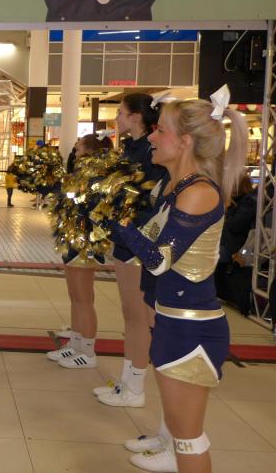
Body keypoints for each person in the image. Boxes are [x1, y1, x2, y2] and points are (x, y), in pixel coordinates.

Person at [109, 90, 246, 473]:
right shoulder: (178, 188)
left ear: (184, 142)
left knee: (188, 440)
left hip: (191, 330)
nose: (152, 137)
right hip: (174, 321)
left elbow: (157, 260)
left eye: (161, 130)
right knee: (181, 434)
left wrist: (115, 222)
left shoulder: (198, 193)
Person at [95, 94, 167, 409]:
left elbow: (151, 200)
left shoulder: (150, 152)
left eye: (121, 113)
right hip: (125, 238)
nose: (117, 118)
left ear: (136, 116)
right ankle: (127, 381)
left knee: (139, 316)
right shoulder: (130, 148)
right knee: (129, 313)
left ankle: (135, 385)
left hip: (140, 240)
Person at [46, 133, 113, 370]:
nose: (75, 151)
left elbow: (93, 209)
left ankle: (88, 350)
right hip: (73, 239)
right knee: (75, 295)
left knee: (84, 298)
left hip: (86, 242)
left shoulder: (97, 176)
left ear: (89, 150)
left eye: (78, 147)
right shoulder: (79, 174)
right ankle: (75, 344)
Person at [215, 174, 256, 316]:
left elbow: (235, 225)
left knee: (211, 256)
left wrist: (228, 211)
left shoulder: (248, 202)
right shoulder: (239, 202)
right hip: (228, 242)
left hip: (236, 245)